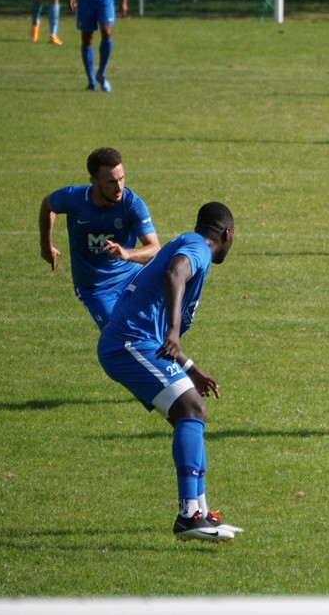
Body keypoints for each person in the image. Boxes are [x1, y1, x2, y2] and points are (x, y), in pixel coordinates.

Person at [97, 202, 241, 542]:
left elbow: (159, 329)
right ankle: (189, 514)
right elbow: (175, 273)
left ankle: (200, 511)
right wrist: (175, 330)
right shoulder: (199, 249)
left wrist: (190, 367)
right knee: (192, 409)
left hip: (137, 341)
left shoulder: (189, 241)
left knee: (190, 413)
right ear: (227, 234)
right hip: (127, 344)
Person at [39, 147, 160, 330]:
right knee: (117, 333)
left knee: (157, 326)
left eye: (121, 179)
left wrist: (126, 254)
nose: (119, 187)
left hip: (132, 277)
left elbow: (155, 249)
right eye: (111, 182)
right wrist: (46, 246)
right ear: (94, 182)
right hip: (96, 289)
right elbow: (48, 205)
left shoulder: (131, 203)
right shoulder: (74, 198)